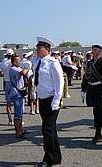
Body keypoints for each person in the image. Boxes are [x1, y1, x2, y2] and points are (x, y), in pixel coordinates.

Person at [32, 37, 64, 167]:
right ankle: (56, 157)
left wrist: (56, 101)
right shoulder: (37, 62)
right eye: (37, 48)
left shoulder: (53, 62)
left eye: (40, 48)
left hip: (52, 100)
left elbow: (59, 83)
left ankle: (48, 159)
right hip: (42, 99)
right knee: (51, 129)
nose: (38, 50)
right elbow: (36, 80)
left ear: (47, 49)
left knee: (47, 129)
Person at [81, 45, 102, 144]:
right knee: (97, 111)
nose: (93, 52)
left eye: (95, 50)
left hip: (100, 89)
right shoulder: (89, 63)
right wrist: (83, 88)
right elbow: (86, 76)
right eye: (93, 50)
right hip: (91, 89)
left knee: (97, 110)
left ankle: (98, 132)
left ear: (99, 52)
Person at [9, 54, 29, 138]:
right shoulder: (13, 69)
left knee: (20, 113)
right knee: (17, 114)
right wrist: (28, 67)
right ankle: (18, 132)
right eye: (17, 60)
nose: (19, 61)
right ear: (13, 61)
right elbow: (23, 72)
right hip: (16, 93)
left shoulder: (17, 68)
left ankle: (21, 130)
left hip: (20, 92)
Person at [0, 48, 14, 124]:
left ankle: (10, 120)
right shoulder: (14, 61)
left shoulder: (3, 62)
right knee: (17, 103)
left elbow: (0, 73)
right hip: (14, 83)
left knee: (8, 103)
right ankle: (18, 120)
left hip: (6, 82)